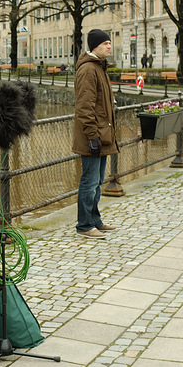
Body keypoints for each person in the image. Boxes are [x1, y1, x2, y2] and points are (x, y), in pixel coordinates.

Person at [72, 29, 118, 239]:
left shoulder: (99, 67)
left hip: (102, 135)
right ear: (94, 46)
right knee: (89, 182)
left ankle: (95, 220)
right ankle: (84, 225)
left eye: (110, 42)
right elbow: (84, 107)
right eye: (105, 43)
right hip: (93, 136)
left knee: (97, 181)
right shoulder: (89, 70)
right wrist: (92, 136)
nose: (109, 46)